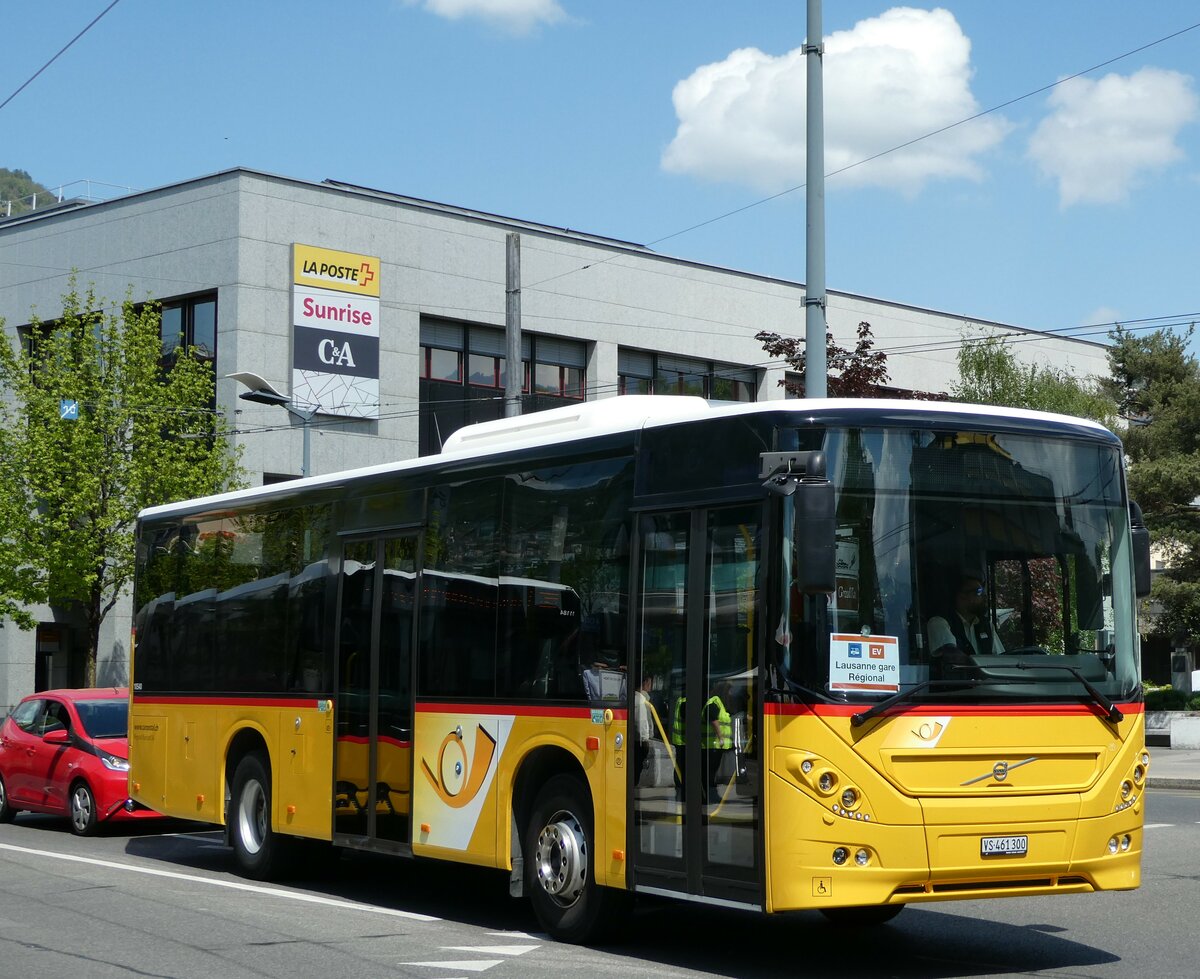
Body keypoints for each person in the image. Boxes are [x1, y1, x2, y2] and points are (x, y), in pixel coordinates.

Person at [927, 574, 1005, 670]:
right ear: (962, 596)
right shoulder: (939, 622)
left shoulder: (986, 625)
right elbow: (952, 656)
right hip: (956, 684)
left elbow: (1001, 658)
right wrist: (981, 668)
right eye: (979, 592)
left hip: (986, 683)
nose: (985, 596)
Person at [633, 674, 654, 784]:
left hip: (634, 741)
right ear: (645, 683)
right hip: (639, 742)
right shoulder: (641, 701)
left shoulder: (633, 698)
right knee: (636, 769)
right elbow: (642, 724)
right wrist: (646, 741)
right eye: (650, 683)